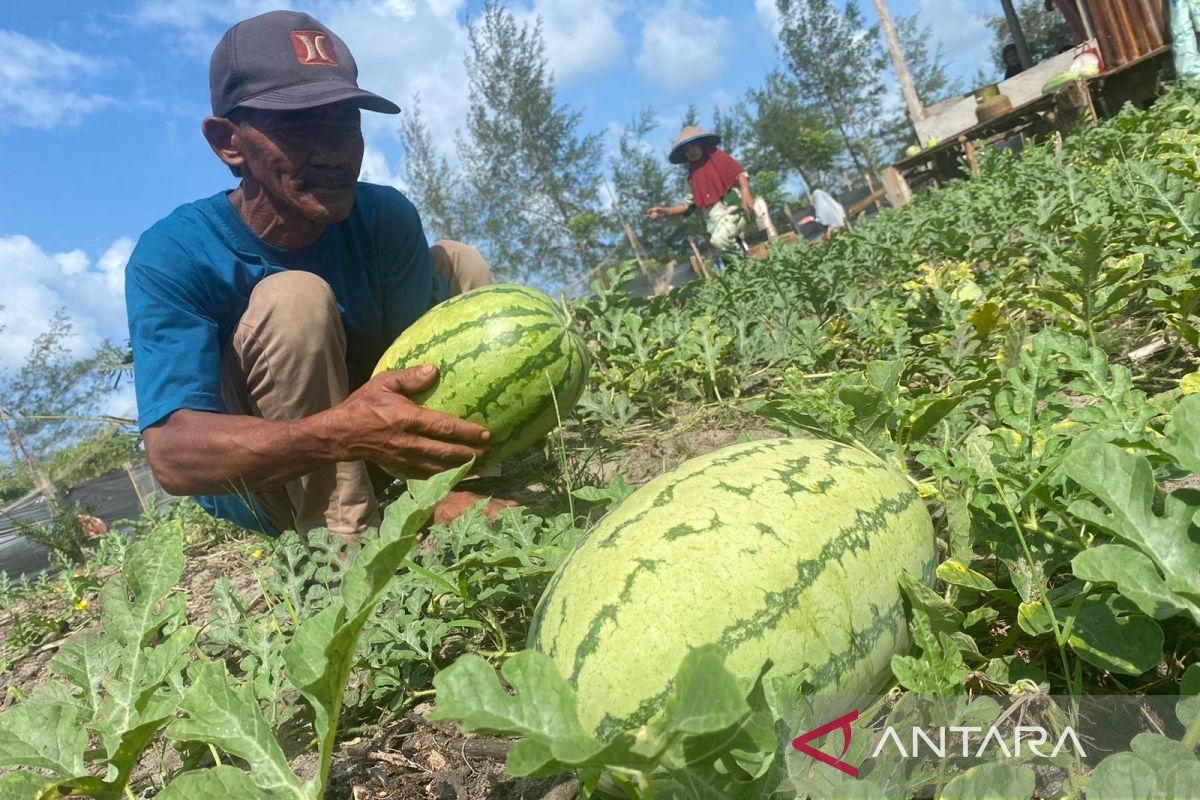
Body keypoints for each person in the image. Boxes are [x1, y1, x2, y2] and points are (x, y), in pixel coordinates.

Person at [126, 10, 509, 540]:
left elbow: (418, 375)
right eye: (300, 125)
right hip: (278, 484)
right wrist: (336, 434)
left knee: (457, 260)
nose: (334, 152)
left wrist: (429, 484)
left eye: (345, 121)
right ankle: (341, 546)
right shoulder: (174, 253)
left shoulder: (384, 218)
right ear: (227, 143)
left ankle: (457, 474)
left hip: (384, 453)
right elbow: (172, 457)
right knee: (294, 300)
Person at [646, 126, 755, 261]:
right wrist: (664, 211)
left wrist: (745, 191)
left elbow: (738, 173)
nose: (691, 151)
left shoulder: (718, 157)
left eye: (693, 146)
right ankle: (741, 265)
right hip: (714, 219)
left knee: (720, 240)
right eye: (687, 150)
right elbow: (687, 205)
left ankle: (744, 264)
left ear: (701, 144)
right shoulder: (693, 178)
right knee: (721, 249)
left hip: (732, 206)